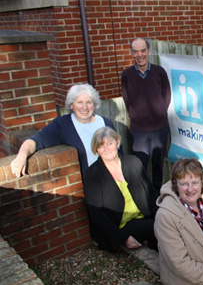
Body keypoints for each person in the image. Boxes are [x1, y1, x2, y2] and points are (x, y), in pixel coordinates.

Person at [10, 83, 114, 179]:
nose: (85, 107)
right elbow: (34, 141)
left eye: (89, 102)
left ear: (94, 104)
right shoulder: (62, 125)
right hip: (92, 186)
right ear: (71, 105)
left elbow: (119, 154)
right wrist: (21, 157)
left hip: (114, 181)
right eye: (79, 102)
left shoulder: (106, 123)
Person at [83, 126, 158, 252]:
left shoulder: (133, 162)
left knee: (168, 221)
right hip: (120, 227)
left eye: (110, 143)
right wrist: (123, 237)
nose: (106, 149)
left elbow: (151, 192)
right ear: (96, 150)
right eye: (101, 146)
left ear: (118, 142)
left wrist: (162, 212)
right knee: (160, 227)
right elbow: (97, 215)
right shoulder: (93, 174)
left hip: (143, 218)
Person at [121, 37, 171, 191]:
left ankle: (156, 197)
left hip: (159, 130)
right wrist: (136, 115)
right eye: (135, 52)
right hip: (139, 132)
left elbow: (167, 96)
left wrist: (159, 112)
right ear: (131, 54)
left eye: (143, 50)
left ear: (149, 51)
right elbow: (127, 99)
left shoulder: (159, 72)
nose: (140, 55)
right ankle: (143, 199)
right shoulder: (127, 75)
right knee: (139, 168)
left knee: (158, 167)